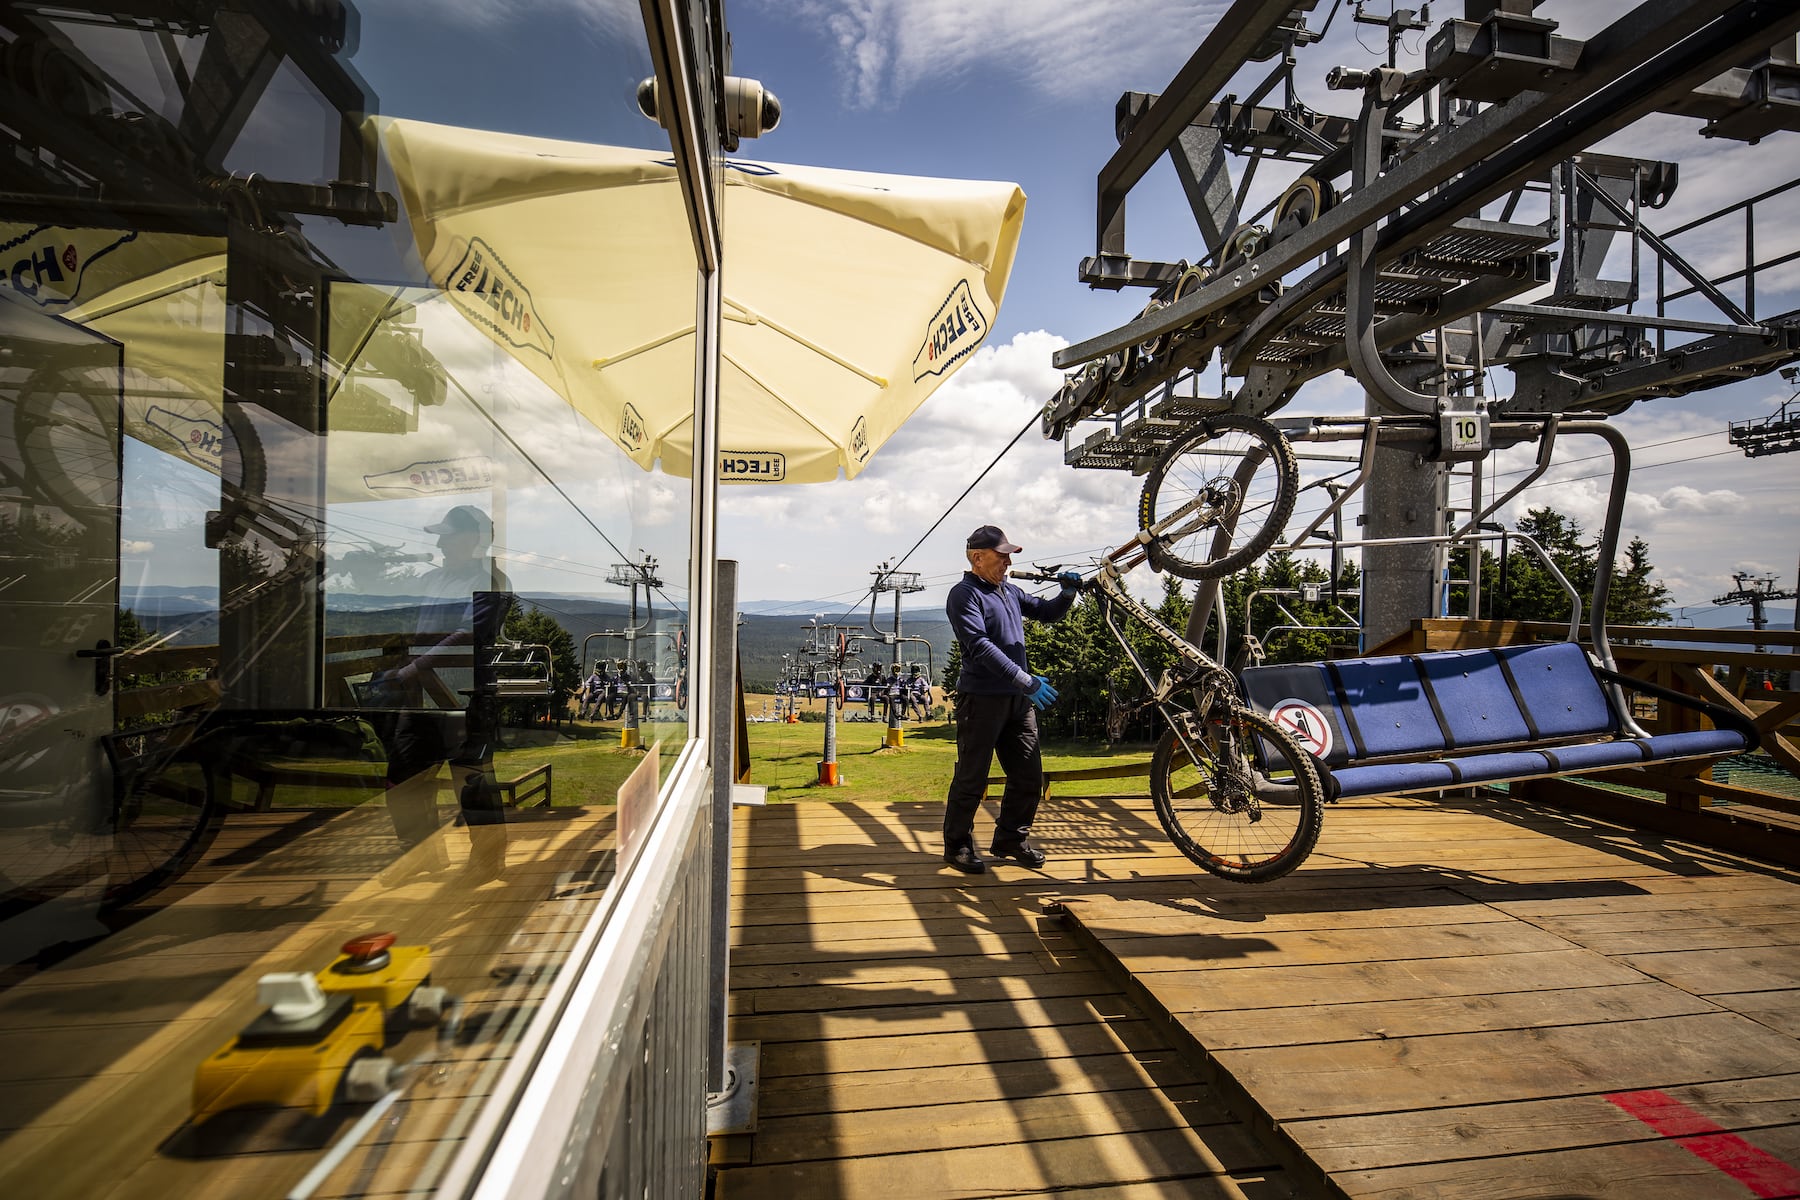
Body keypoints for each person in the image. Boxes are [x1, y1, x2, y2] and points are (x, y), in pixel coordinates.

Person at [941, 525, 1079, 873]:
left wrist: (1065, 594)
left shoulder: (1010, 591)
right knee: (972, 777)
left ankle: (1010, 839)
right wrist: (1025, 679)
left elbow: (1047, 613)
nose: (1006, 561)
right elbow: (980, 646)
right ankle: (956, 846)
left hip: (1018, 701)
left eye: (1008, 556)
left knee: (1029, 776)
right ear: (977, 558)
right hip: (982, 699)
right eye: (1000, 555)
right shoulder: (964, 595)